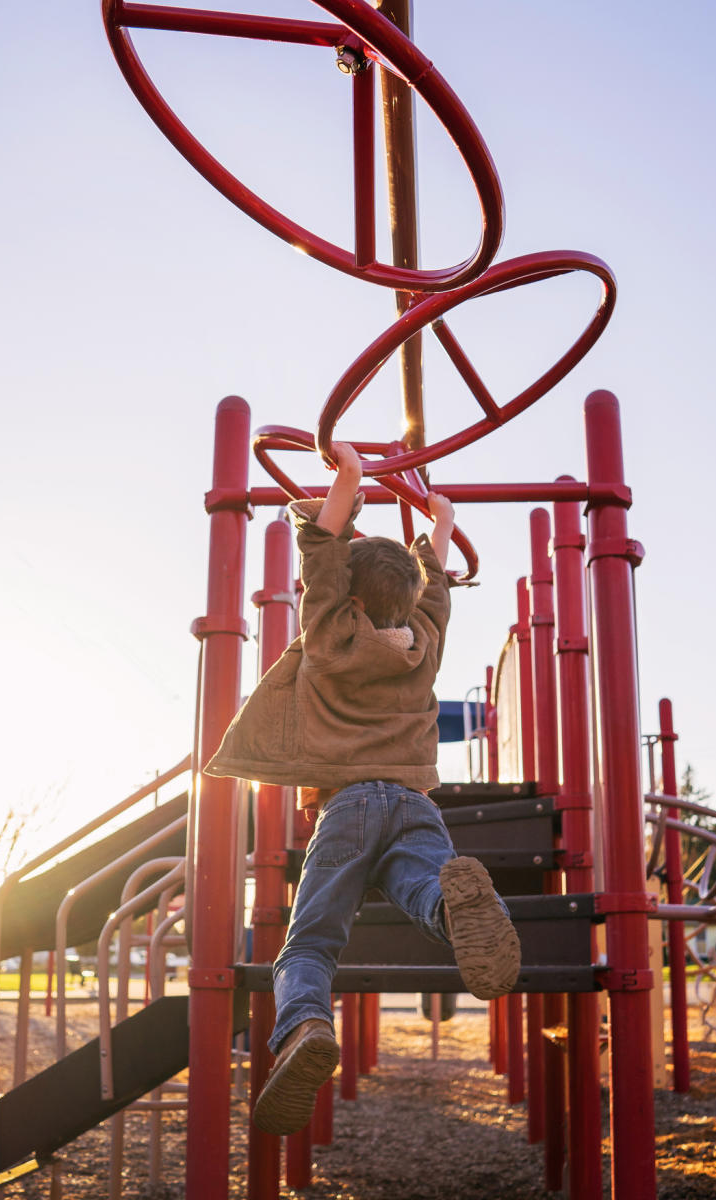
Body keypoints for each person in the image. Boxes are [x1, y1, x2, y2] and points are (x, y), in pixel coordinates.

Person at [206, 442, 520, 1136]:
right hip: (415, 805)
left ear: (345, 597)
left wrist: (349, 478)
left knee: (310, 944)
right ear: (408, 600)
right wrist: (437, 523)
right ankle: (451, 905)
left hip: (345, 806)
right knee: (415, 883)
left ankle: (306, 1026)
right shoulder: (423, 643)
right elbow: (433, 586)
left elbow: (321, 549)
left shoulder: (329, 636)